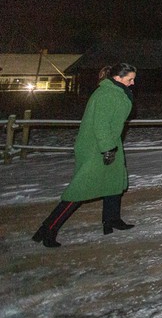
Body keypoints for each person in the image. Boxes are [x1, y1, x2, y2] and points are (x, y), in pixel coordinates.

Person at [32, 63, 137, 247]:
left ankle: (111, 219)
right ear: (117, 78)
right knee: (80, 189)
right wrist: (107, 148)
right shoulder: (107, 94)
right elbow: (101, 124)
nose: (133, 83)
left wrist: (111, 146)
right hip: (97, 147)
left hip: (109, 143)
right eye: (130, 79)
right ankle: (49, 228)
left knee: (113, 183)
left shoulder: (116, 91)